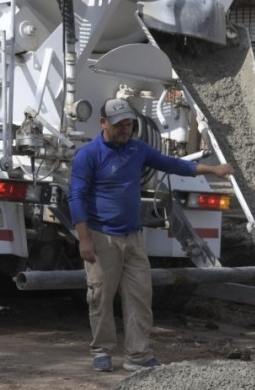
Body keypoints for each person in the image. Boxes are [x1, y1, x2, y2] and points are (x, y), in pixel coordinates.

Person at [69, 98, 234, 372]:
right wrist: (84, 237)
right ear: (103, 124)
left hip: (133, 237)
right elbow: (76, 196)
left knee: (140, 296)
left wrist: (213, 170)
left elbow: (173, 164)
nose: (125, 130)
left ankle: (138, 355)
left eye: (129, 124)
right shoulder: (88, 155)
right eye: (119, 125)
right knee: (100, 296)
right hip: (101, 238)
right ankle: (102, 351)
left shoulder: (137, 149)